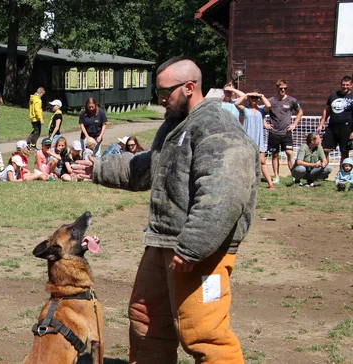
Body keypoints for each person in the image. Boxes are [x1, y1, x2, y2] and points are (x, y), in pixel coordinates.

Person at [73, 57, 258, 363]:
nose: (159, 100)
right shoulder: (176, 126)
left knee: (205, 335)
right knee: (146, 321)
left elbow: (224, 193)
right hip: (162, 244)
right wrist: (99, 167)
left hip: (197, 251)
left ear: (189, 87)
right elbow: (148, 167)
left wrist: (193, 247)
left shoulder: (217, 127)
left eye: (164, 93)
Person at [235, 91, 275, 189]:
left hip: (258, 139)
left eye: (255, 98)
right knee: (245, 162)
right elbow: (237, 103)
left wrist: (261, 96)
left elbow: (269, 106)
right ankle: (242, 183)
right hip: (247, 140)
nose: (254, 100)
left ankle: (270, 184)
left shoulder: (261, 110)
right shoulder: (245, 109)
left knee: (262, 162)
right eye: (252, 98)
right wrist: (247, 95)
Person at [266, 79, 303, 184]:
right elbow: (262, 112)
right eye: (281, 88)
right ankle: (276, 177)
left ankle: (294, 176)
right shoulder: (271, 101)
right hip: (274, 132)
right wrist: (265, 124)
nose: (283, 90)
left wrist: (294, 124)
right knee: (275, 154)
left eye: (285, 88)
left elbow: (300, 112)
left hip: (286, 132)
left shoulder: (292, 100)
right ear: (277, 88)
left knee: (289, 153)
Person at [318, 76, 353, 168]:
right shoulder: (333, 95)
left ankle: (343, 174)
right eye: (343, 85)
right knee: (325, 149)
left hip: (346, 128)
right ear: (340, 85)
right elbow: (326, 110)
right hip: (332, 127)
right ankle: (323, 171)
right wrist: (321, 124)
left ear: (351, 85)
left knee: (344, 151)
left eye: (347, 85)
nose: (345, 87)